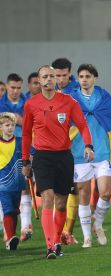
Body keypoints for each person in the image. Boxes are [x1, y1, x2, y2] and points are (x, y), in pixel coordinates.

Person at [21, 65, 94, 259]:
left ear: (56, 79)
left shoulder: (69, 102)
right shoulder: (31, 104)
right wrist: (25, 161)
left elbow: (82, 125)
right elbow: (26, 134)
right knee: (48, 198)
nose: (48, 79)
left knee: (61, 204)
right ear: (39, 80)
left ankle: (57, 240)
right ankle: (51, 246)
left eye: (52, 76)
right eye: (44, 76)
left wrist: (88, 146)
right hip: (42, 157)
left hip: (64, 157)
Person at [69, 64, 111, 248]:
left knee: (105, 193)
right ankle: (86, 237)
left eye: (87, 76)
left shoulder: (103, 96)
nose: (84, 79)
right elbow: (66, 123)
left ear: (95, 78)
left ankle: (98, 224)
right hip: (79, 152)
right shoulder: (72, 98)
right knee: (84, 194)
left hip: (103, 151)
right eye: (81, 76)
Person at [0, 73, 34, 242]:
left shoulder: (27, 103)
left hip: (23, 149)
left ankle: (26, 226)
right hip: (4, 152)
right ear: (6, 86)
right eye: (12, 87)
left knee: (25, 185)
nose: (15, 91)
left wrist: (23, 121)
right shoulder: (0, 104)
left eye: (18, 87)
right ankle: (7, 228)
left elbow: (33, 125)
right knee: (4, 189)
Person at [52, 57, 82, 245]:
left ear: (70, 73)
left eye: (64, 75)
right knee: (57, 192)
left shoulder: (77, 92)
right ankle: (59, 233)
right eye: (58, 75)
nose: (61, 79)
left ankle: (67, 232)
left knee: (75, 189)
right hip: (53, 150)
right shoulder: (50, 91)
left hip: (75, 149)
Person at [0, 112, 26, 250]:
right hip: (2, 184)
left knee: (15, 211)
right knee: (8, 210)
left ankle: (11, 240)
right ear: (1, 127)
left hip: (18, 183)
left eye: (12, 125)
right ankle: (10, 237)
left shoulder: (21, 141)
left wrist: (29, 164)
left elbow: (30, 154)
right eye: (7, 125)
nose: (10, 128)